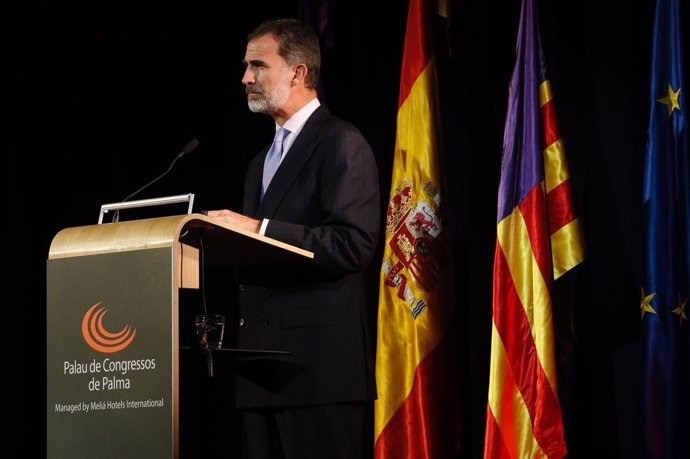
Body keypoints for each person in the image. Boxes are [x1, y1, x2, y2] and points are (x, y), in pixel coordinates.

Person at [205, 17, 381, 459]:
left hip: (318, 375)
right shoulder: (259, 162)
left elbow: (353, 244)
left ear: (298, 73)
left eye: (258, 66)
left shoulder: (342, 141)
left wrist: (260, 229)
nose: (245, 78)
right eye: (246, 67)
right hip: (259, 374)